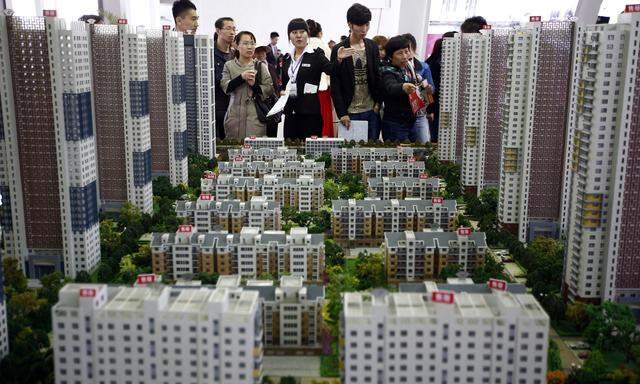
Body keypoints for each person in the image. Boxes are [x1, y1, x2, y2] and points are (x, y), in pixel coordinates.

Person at [281, 18, 350, 139]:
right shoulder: (287, 59)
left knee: (310, 152)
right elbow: (284, 84)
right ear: (289, 36)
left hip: (310, 113)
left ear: (307, 34)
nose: (298, 36)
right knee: (290, 149)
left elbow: (331, 70)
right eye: (294, 32)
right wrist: (281, 91)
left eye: (302, 32)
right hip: (290, 114)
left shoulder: (316, 54)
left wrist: (339, 59)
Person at [330, 3, 382, 141]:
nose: (364, 29)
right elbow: (335, 84)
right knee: (350, 154)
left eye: (367, 25)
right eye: (360, 25)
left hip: (371, 109)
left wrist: (378, 103)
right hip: (350, 111)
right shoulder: (339, 49)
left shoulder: (372, 46)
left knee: (372, 151)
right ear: (350, 24)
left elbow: (378, 77)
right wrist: (342, 113)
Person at [221, 31, 273, 139]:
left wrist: (254, 85)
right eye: (245, 43)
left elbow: (269, 89)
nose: (250, 47)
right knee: (233, 150)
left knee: (255, 151)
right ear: (236, 45)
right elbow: (225, 87)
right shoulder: (229, 65)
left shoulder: (260, 66)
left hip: (255, 118)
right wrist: (241, 78)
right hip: (234, 117)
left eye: (252, 43)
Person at [380, 36, 421, 142]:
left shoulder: (408, 67)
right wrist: (403, 87)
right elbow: (390, 87)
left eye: (406, 52)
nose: (404, 56)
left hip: (411, 120)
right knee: (400, 156)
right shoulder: (386, 71)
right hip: (395, 124)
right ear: (390, 56)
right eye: (399, 53)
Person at [402, 33, 434, 143]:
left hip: (419, 113)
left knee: (424, 147)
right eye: (402, 50)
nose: (405, 53)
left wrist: (428, 89)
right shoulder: (397, 67)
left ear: (414, 48)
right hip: (402, 113)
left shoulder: (423, 67)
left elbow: (431, 90)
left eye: (408, 49)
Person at [426, 31, 456, 142]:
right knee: (438, 138)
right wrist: (430, 109)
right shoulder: (434, 64)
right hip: (438, 106)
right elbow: (430, 91)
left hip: (442, 107)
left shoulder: (451, 63)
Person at [307, 19, 334, 137]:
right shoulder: (325, 47)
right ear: (320, 33)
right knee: (325, 119)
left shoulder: (304, 46)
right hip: (324, 89)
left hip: (307, 90)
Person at [214, 17, 236, 140]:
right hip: (215, 107)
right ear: (218, 31)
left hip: (233, 107)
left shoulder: (235, 54)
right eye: (228, 28)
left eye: (234, 29)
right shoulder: (208, 53)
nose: (232, 32)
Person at [255, 46, 280, 137]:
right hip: (260, 104)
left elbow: (276, 84)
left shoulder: (271, 66)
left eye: (263, 52)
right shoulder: (254, 66)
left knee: (273, 130)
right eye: (258, 52)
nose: (261, 54)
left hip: (273, 103)